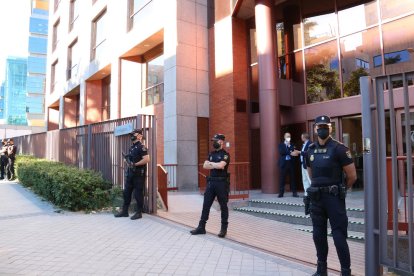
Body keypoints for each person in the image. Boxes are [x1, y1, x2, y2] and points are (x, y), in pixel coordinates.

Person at [305, 115, 357, 276]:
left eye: (325, 126)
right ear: (314, 129)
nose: (322, 129)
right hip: (316, 199)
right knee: (318, 235)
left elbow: (352, 176)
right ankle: (321, 270)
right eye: (319, 126)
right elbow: (311, 175)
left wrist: (341, 189)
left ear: (331, 128)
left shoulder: (340, 149)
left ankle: (345, 272)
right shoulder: (310, 150)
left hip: (334, 198)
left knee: (338, 236)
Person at [190, 133, 230, 238]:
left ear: (221, 142)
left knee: (223, 206)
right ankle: (201, 227)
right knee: (206, 205)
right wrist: (215, 165)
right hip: (211, 183)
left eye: (215, 141)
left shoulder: (225, 154)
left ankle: (223, 229)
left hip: (221, 183)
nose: (214, 143)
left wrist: (212, 164)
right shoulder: (211, 153)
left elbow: (222, 165)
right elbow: (204, 166)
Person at [115, 129, 150, 220]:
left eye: (134, 134)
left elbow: (146, 159)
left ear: (140, 136)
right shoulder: (132, 147)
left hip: (139, 175)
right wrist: (127, 161)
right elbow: (131, 161)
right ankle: (124, 212)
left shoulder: (142, 147)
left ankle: (139, 213)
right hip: (130, 174)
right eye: (131, 134)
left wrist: (135, 164)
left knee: (138, 194)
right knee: (126, 193)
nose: (132, 136)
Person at [278, 132, 299, 197]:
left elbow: (294, 151)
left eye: (289, 136)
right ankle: (281, 193)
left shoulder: (292, 144)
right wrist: (290, 152)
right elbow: (282, 152)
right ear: (284, 137)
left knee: (293, 178)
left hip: (291, 163)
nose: (288, 138)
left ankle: (294, 192)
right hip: (284, 163)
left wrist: (289, 147)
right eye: (287, 136)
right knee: (282, 178)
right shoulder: (281, 145)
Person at [300, 132, 312, 214]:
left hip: (307, 166)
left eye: (301, 137)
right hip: (303, 165)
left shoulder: (310, 144)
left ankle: (312, 195)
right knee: (305, 181)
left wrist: (299, 152)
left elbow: (308, 153)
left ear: (304, 137)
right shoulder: (304, 144)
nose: (301, 138)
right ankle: (306, 195)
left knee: (310, 180)